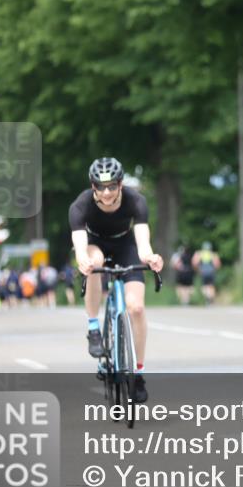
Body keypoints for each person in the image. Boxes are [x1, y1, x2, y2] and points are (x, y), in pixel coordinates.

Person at [69, 156, 163, 403]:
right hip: (95, 245)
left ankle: (138, 373)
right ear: (93, 187)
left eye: (112, 186)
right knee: (94, 264)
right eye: (101, 187)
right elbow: (80, 246)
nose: (107, 192)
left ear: (121, 184)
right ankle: (93, 329)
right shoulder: (80, 206)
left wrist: (151, 257)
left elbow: (143, 243)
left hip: (126, 245)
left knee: (137, 307)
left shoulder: (136, 201)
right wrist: (83, 260)